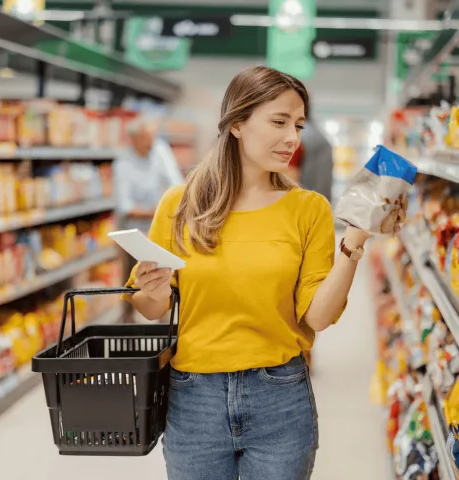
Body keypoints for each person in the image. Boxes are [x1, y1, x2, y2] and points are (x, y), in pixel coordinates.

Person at [122, 66, 402, 480]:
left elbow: (318, 317)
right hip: (194, 397)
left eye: (299, 124)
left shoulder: (308, 209)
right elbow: (150, 307)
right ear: (237, 122)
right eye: (279, 121)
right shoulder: (181, 204)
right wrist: (154, 288)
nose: (293, 137)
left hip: (281, 398)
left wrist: (355, 242)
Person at [113, 117, 184, 284]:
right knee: (135, 280)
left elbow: (176, 182)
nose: (150, 141)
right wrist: (153, 212)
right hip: (135, 233)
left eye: (152, 136)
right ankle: (129, 308)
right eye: (145, 137)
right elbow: (125, 207)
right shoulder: (122, 164)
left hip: (162, 226)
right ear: (133, 139)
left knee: (165, 277)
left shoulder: (160, 150)